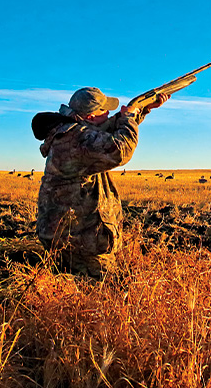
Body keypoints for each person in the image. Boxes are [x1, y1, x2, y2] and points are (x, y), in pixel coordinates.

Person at [33, 87, 166, 278]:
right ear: (89, 117)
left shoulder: (71, 131)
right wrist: (128, 118)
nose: (109, 112)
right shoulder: (76, 138)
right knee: (102, 294)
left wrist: (143, 109)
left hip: (68, 235)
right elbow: (120, 149)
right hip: (80, 242)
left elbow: (108, 131)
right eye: (103, 110)